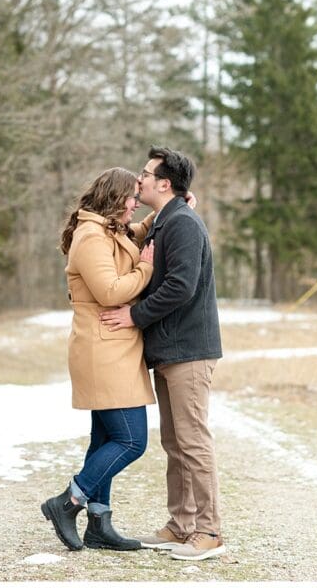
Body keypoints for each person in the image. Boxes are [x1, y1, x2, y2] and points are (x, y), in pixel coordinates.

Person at [100, 146, 225, 562]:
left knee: (193, 441)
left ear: (164, 183)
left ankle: (208, 531)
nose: (140, 180)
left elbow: (181, 286)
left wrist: (134, 315)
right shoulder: (166, 221)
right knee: (175, 442)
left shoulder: (184, 224)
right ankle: (180, 524)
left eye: (145, 174)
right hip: (169, 351)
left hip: (189, 350)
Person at [41, 167, 157, 552]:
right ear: (114, 198)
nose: (135, 203)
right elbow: (109, 291)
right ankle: (68, 501)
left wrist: (164, 211)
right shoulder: (90, 236)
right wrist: (147, 268)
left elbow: (132, 235)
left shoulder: (108, 230)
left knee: (105, 438)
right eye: (132, 198)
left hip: (113, 348)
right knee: (132, 439)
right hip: (103, 350)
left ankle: (99, 524)